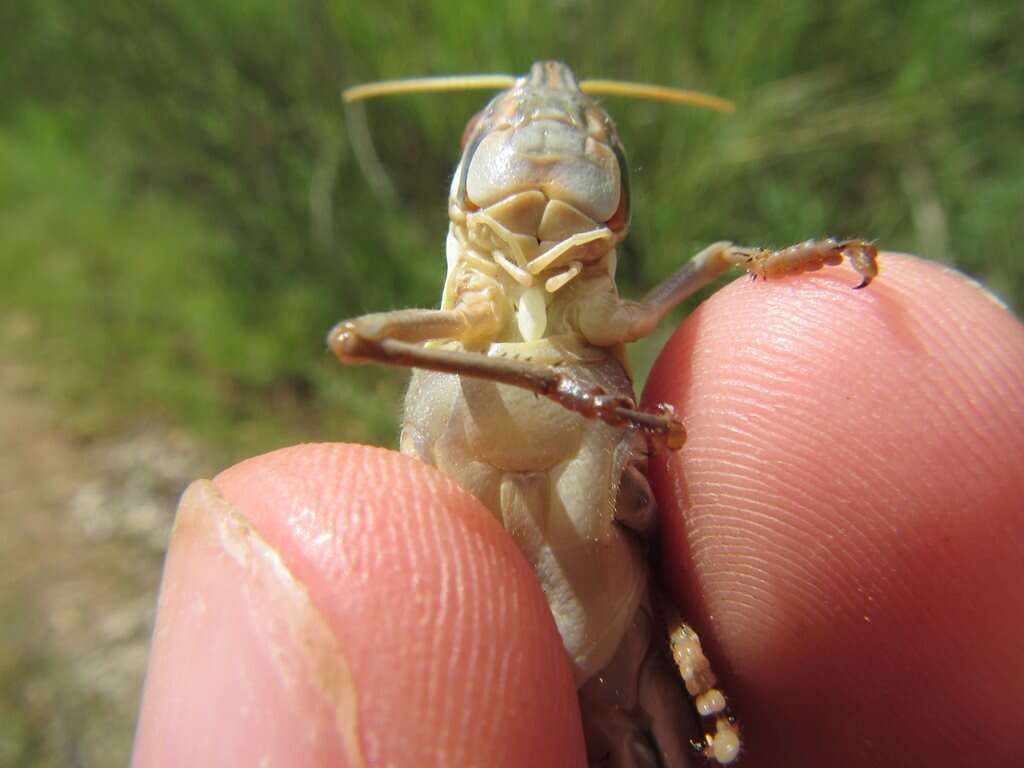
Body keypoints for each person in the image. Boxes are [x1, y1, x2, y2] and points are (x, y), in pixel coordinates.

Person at [133, 254, 1024, 768]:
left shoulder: (611, 309)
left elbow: (705, 271)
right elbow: (360, 342)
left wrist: (753, 262)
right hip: (475, 616)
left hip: (635, 673)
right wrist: (574, 393)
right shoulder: (461, 328)